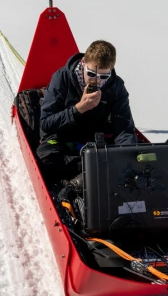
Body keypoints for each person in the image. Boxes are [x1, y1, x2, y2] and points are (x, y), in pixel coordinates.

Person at [36, 40, 136, 189]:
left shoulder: (116, 86)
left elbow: (124, 128)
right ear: (83, 62)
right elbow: (46, 124)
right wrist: (78, 109)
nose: (97, 81)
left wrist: (126, 155)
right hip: (62, 138)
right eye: (91, 74)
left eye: (104, 76)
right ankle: (92, 170)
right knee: (46, 157)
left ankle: (88, 172)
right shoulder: (62, 78)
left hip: (94, 139)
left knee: (133, 157)